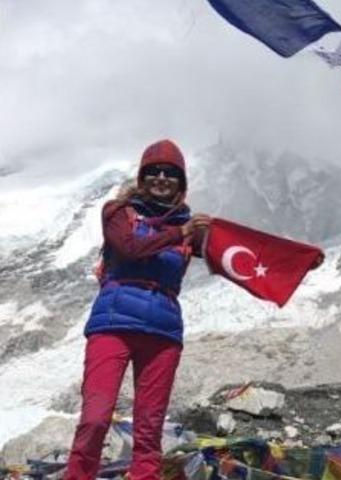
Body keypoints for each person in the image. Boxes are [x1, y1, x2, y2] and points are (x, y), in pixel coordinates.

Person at [65, 139, 211, 480]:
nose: (162, 178)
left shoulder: (191, 228)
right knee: (95, 418)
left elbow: (237, 258)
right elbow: (129, 248)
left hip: (163, 332)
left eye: (171, 173)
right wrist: (181, 232)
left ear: (181, 183)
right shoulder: (118, 212)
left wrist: (293, 263)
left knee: (149, 427)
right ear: (142, 178)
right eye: (154, 172)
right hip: (112, 325)